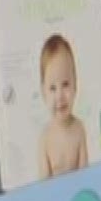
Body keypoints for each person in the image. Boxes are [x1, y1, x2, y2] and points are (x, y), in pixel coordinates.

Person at [36, 34, 88, 177]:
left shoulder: (79, 129)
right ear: (43, 92)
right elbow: (43, 187)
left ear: (75, 84)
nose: (60, 96)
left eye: (65, 84)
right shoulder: (45, 138)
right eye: (52, 88)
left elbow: (86, 175)